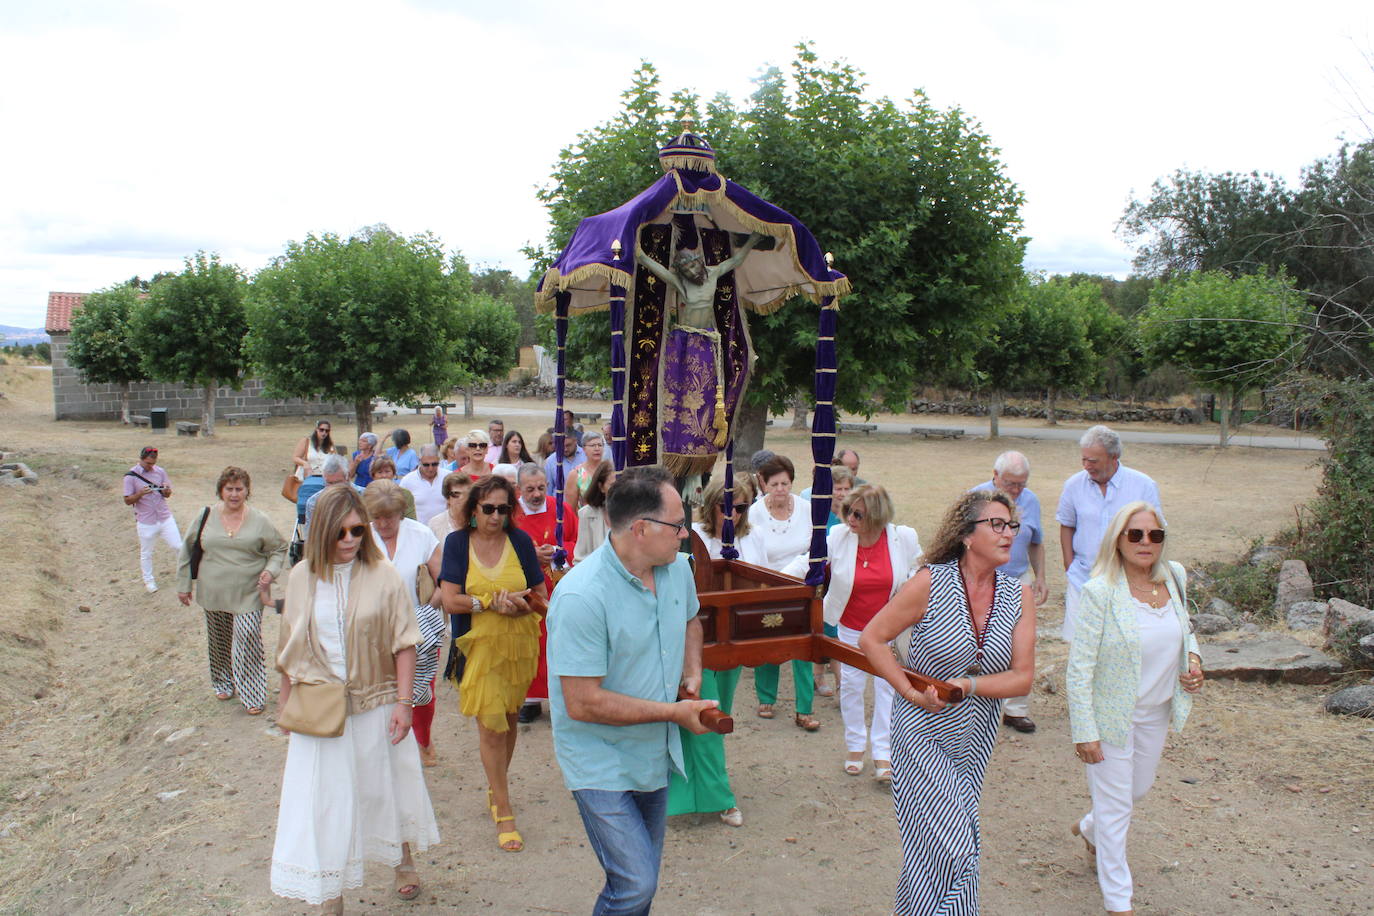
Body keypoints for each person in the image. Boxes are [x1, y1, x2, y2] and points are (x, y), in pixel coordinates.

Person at [547, 465, 718, 914]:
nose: (685, 535)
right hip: (599, 758)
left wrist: (692, 671)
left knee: (641, 881)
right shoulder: (581, 597)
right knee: (635, 884)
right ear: (641, 528)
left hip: (652, 754)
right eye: (678, 524)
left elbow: (690, 619)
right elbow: (582, 703)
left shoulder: (678, 569)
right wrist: (674, 714)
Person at [859, 489, 1035, 916]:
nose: (1008, 532)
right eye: (996, 524)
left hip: (975, 740)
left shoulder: (1018, 595)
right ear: (967, 536)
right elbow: (872, 638)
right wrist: (907, 690)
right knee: (958, 846)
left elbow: (1022, 678)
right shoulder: (930, 583)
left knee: (928, 851)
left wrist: (968, 686)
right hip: (920, 733)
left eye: (1011, 525)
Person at [270, 485, 439, 910]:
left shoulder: (383, 576)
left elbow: (405, 643)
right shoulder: (300, 579)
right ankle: (331, 892)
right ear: (322, 532)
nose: (350, 540)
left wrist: (404, 704)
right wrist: (285, 707)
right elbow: (289, 647)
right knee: (325, 801)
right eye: (340, 533)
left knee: (386, 789)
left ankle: (402, 860)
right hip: (320, 711)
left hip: (377, 704)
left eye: (357, 531)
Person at [1067, 501, 1203, 916]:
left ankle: (1089, 828)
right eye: (1136, 534)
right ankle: (1118, 901)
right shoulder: (1100, 592)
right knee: (1115, 809)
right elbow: (1080, 668)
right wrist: (1084, 730)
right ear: (1119, 539)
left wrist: (1194, 661)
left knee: (1134, 792)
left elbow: (1186, 631)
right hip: (1110, 718)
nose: (1146, 543)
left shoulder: (1174, 577)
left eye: (1155, 535)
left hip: (1157, 712)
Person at [438, 474, 549, 852]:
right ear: (473, 510)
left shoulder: (519, 541)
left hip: (518, 644)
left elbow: (540, 593)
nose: (496, 516)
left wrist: (520, 607)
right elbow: (449, 599)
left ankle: (495, 785)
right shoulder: (457, 544)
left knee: (510, 719)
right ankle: (504, 808)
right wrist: (487, 603)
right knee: (490, 727)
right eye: (489, 508)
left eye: (504, 509)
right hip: (478, 647)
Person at [676, 473, 760, 828]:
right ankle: (720, 797)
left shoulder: (753, 539)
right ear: (712, 506)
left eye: (741, 508)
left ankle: (695, 792)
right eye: (727, 507)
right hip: (695, 641)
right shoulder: (692, 540)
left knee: (716, 715)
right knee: (708, 717)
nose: (734, 515)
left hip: (732, 639)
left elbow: (761, 577)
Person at [823, 485, 921, 780]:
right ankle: (855, 746)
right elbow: (809, 562)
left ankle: (883, 753)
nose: (849, 518)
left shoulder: (903, 537)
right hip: (851, 627)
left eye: (858, 514)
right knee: (851, 686)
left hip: (888, 628)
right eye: (847, 510)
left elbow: (920, 568)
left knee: (887, 688)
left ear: (877, 517)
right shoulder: (838, 537)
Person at [176, 467, 287, 716]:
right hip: (213, 591)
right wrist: (183, 585)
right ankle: (223, 681)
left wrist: (270, 571)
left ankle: (253, 693)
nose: (234, 494)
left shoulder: (260, 520)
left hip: (249, 592)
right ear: (220, 491)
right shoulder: (205, 516)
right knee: (220, 641)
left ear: (247, 491)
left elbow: (279, 549)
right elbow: (187, 549)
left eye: (239, 489)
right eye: (229, 489)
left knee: (247, 638)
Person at [365, 481, 446, 768]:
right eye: (377, 516)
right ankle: (386, 744)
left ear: (401, 512)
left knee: (421, 690)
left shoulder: (421, 535)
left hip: (418, 628)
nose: (383, 522)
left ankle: (423, 740)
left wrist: (426, 611)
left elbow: (444, 581)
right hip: (372, 629)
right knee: (380, 690)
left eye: (390, 516)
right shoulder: (360, 537)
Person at [1057, 426, 1164, 641]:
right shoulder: (1073, 485)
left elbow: (1155, 532)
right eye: (1084, 460)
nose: (1087, 466)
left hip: (1126, 582)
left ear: (1114, 457)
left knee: (1122, 643)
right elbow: (1067, 525)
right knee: (1080, 644)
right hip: (1082, 581)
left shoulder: (1143, 485)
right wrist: (1069, 565)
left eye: (1093, 461)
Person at [972, 449, 1048, 733]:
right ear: (995, 476)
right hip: (982, 578)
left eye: (1021, 484)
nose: (1016, 490)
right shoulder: (975, 498)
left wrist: (1040, 576)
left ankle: (1015, 709)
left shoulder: (1031, 501)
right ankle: (977, 701)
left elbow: (1036, 540)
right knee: (980, 640)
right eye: (1010, 484)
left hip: (1017, 579)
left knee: (1022, 642)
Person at [746, 454, 818, 730]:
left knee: (803, 645)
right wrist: (767, 580)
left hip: (799, 583)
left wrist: (795, 574)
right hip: (766, 583)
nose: (780, 490)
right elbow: (751, 551)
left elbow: (814, 547)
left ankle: (805, 708)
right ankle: (766, 697)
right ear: (764, 484)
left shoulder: (806, 508)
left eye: (785, 484)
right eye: (774, 484)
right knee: (768, 640)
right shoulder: (754, 512)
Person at [513, 463, 578, 723]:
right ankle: (530, 700)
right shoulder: (511, 514)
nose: (537, 494)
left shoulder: (560, 508)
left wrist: (560, 551)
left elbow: (576, 539)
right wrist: (531, 555)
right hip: (528, 590)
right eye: (530, 489)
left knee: (560, 643)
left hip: (559, 585)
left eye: (541, 487)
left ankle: (561, 698)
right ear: (519, 489)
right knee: (530, 644)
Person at [124, 445, 181, 593]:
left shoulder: (160, 472)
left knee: (178, 547)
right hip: (146, 520)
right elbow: (128, 500)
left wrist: (166, 490)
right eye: (148, 463)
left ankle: (185, 574)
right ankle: (149, 581)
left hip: (164, 516)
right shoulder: (130, 476)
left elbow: (167, 494)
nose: (150, 466)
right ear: (141, 460)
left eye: (153, 463)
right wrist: (140, 494)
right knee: (147, 553)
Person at [304, 454, 363, 539]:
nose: (333, 488)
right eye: (329, 483)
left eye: (338, 482)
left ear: (347, 477)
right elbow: (310, 538)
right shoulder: (314, 503)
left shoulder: (363, 495)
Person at [573, 460, 616, 563]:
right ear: (601, 487)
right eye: (612, 486)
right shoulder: (586, 514)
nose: (618, 490)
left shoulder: (634, 514)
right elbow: (580, 558)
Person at [401, 444, 446, 525]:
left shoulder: (448, 477)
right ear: (419, 461)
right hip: (418, 532)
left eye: (434, 464)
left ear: (439, 460)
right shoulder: (407, 481)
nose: (430, 468)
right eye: (426, 465)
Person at [567, 432, 606, 512]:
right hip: (585, 521)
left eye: (600, 445)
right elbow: (571, 509)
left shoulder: (610, 471)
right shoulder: (576, 474)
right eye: (592, 445)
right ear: (584, 449)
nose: (597, 448)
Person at [542, 431, 587, 498]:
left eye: (568, 445)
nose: (565, 449)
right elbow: (548, 490)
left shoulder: (586, 456)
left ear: (575, 441)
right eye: (561, 446)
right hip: (559, 506)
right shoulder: (550, 461)